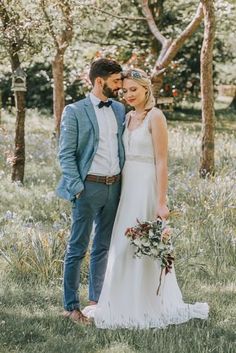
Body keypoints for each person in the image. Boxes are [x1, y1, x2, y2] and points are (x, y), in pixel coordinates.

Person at [82, 68, 209, 329]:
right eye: (124, 90)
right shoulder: (127, 117)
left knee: (144, 242)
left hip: (146, 188)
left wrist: (161, 201)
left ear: (146, 89)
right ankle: (120, 300)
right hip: (126, 187)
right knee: (123, 242)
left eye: (133, 90)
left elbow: (162, 162)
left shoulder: (156, 117)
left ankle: (148, 302)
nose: (128, 94)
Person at [56, 58, 125, 324]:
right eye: (116, 81)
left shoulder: (119, 109)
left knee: (103, 247)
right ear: (100, 81)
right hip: (88, 188)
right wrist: (77, 188)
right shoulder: (75, 111)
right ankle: (72, 306)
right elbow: (66, 154)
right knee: (77, 247)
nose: (120, 86)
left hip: (115, 186)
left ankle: (96, 301)